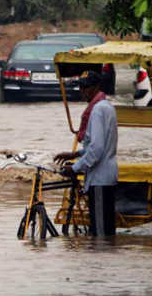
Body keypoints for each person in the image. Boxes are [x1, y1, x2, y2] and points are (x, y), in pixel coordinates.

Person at [54, 70, 118, 236]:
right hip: (107, 175)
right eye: (81, 88)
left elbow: (96, 150)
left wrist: (74, 168)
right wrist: (75, 155)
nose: (83, 92)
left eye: (86, 87)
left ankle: (98, 262)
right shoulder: (107, 106)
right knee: (105, 230)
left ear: (96, 87)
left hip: (99, 179)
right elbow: (98, 145)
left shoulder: (97, 111)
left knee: (100, 235)